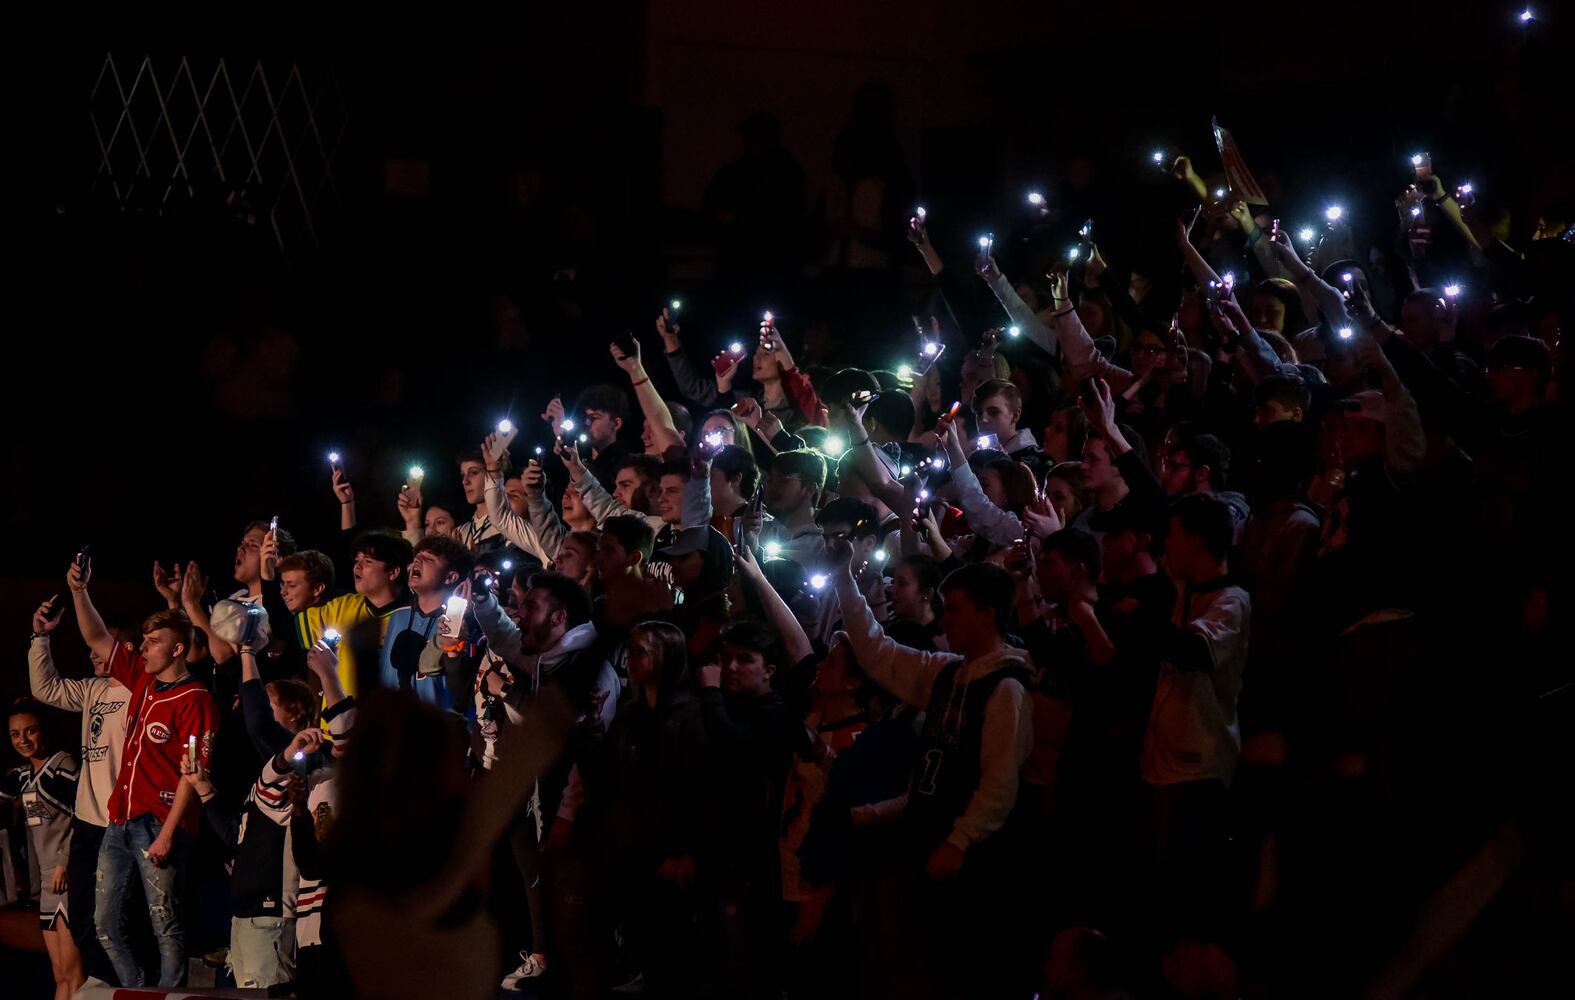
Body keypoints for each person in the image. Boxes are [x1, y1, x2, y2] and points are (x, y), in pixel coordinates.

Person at [829, 547, 1035, 997]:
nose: (946, 621)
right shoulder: (948, 674)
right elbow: (878, 653)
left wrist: (960, 840)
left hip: (971, 860)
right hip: (928, 842)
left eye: (956, 610)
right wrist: (843, 578)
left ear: (989, 613)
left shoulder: (1006, 688)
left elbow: (1000, 781)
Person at [70, 555, 220, 987]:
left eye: (153, 642)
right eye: (144, 640)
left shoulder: (196, 700)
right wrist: (80, 591)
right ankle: (137, 992)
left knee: (164, 925)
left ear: (176, 649)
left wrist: (170, 832)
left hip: (159, 822)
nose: (143, 647)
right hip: (120, 820)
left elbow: (193, 774)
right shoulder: (142, 679)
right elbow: (97, 636)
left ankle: (169, 995)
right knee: (103, 923)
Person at [470, 572, 619, 990]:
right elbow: (503, 636)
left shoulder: (588, 669)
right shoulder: (550, 654)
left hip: (576, 811)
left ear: (559, 618)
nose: (520, 614)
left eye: (531, 606)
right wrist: (483, 599)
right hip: (543, 800)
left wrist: (505, 692)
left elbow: (554, 732)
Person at [1140, 494, 1251, 932]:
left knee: (1182, 891)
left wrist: (1143, 617)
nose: (1167, 545)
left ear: (1198, 540)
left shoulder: (1232, 601)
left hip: (1199, 768)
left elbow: (1195, 651)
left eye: (1174, 536)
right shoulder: (1183, 589)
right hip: (1164, 761)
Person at [695, 621, 805, 997]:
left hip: (752, 860)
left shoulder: (774, 713)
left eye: (745, 660)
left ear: (769, 670)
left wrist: (709, 695)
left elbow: (737, 751)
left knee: (746, 961)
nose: (731, 667)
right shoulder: (734, 706)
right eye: (726, 658)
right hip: (724, 853)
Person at [27, 589, 126, 986]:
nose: (92, 654)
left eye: (101, 646)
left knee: (117, 917)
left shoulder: (142, 690)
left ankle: (131, 985)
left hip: (125, 821)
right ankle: (102, 987)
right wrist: (40, 637)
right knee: (84, 917)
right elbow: (44, 689)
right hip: (89, 823)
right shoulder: (92, 690)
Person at [3, 698, 83, 1000]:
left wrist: (64, 861)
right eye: (15, 734)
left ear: (44, 731)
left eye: (30, 731)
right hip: (48, 885)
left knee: (74, 975)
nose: (23, 740)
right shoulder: (23, 775)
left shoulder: (62, 767)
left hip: (67, 878)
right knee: (59, 974)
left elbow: (87, 819)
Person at [289, 529, 412, 702]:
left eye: (368, 561)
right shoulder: (341, 606)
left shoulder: (412, 617)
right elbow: (285, 629)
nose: (357, 566)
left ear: (393, 572)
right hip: (336, 725)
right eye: (357, 560)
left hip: (386, 723)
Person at [378, 535, 477, 707]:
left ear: (450, 577)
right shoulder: (398, 616)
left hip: (438, 728)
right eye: (417, 557)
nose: (417, 560)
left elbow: (463, 695)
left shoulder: (460, 623)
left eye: (428, 558)